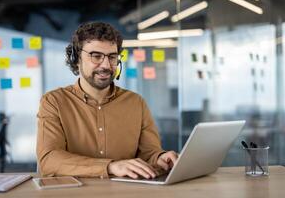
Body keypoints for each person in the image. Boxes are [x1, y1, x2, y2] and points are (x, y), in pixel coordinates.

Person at [36, 22, 178, 179]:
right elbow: (49, 160)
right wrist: (110, 166)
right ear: (77, 59)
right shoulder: (53, 102)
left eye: (112, 57)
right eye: (96, 56)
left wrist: (160, 158)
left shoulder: (136, 103)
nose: (106, 65)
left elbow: (149, 153)